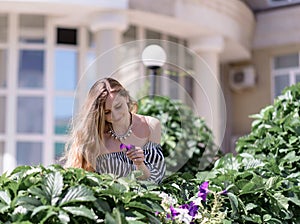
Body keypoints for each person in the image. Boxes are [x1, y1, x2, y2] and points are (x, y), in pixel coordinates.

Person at [63, 77, 165, 183]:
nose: (115, 116)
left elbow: (156, 180)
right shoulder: (95, 136)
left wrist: (140, 164)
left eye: (118, 106)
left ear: (125, 97)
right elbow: (81, 178)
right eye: (107, 112)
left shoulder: (151, 125)